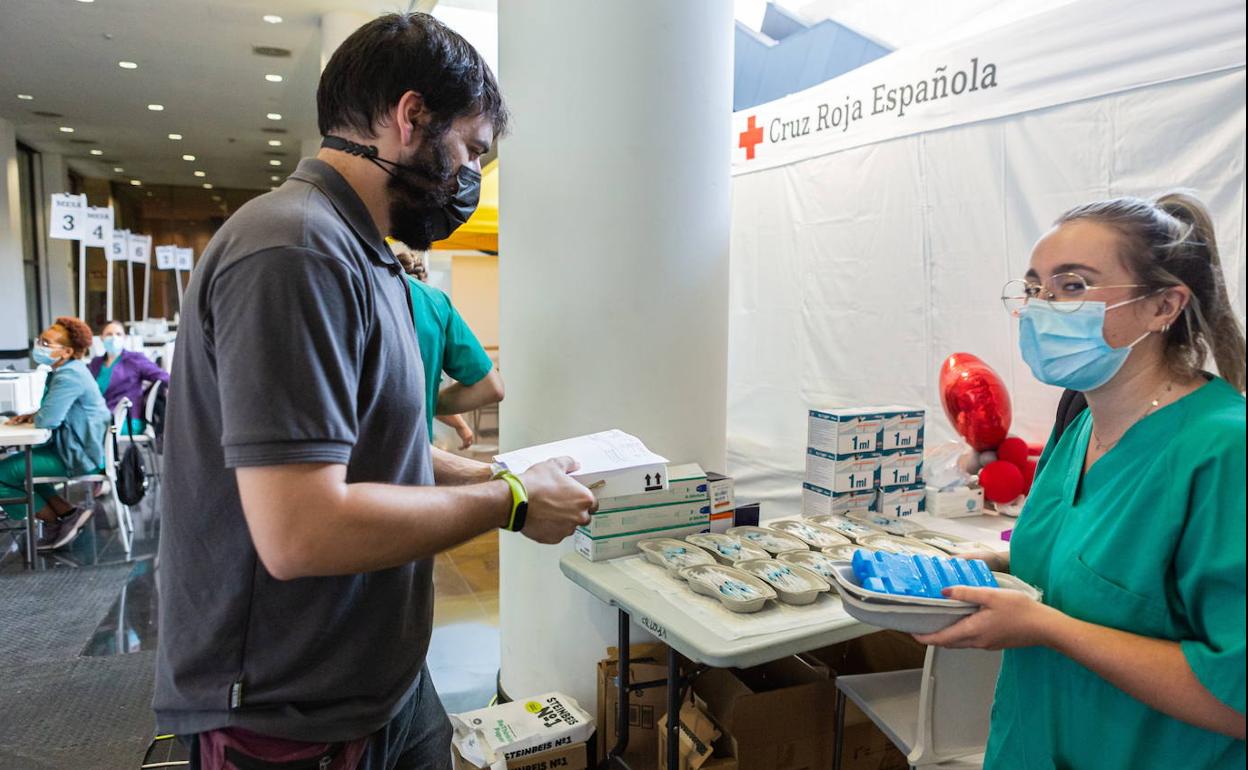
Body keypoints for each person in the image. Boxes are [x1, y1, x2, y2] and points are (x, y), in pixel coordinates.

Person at [153, 13, 596, 770]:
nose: (470, 176)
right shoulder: (294, 250)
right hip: (287, 710)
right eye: (471, 150)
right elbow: (301, 530)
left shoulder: (366, 255)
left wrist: (500, 473)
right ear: (410, 116)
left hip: (376, 678)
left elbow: (377, 447)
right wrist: (512, 505)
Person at [918, 192, 1246, 769]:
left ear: (1163, 305)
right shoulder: (1083, 428)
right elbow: (1105, 573)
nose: (1042, 308)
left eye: (1072, 287)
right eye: (1035, 288)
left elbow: (1236, 700)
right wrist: (992, 565)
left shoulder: (1222, 450)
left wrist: (1049, 629)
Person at [1, 317, 110, 550]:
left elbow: (49, 420)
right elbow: (52, 412)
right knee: (23, 471)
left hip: (77, 455)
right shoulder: (69, 370)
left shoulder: (69, 376)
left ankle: (52, 523)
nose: (39, 345)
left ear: (68, 351)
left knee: (2, 474)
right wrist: (33, 414)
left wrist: (38, 415)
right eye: (41, 340)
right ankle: (68, 514)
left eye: (47, 343)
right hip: (77, 448)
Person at [389, 240, 503, 449]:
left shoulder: (361, 292)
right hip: (417, 460)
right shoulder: (435, 303)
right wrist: (429, 404)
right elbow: (490, 387)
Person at [88, 320, 170, 436]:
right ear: (101, 338)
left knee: (88, 433)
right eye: (109, 334)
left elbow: (164, 377)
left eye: (118, 334)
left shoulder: (135, 360)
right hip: (98, 418)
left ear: (125, 337)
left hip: (125, 421)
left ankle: (101, 454)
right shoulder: (95, 363)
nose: (114, 338)